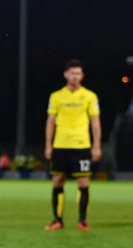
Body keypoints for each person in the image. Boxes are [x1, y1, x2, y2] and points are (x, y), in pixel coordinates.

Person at [44, 59, 101, 231]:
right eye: (72, 73)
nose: (75, 76)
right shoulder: (56, 96)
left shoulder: (90, 96)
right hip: (60, 145)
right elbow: (50, 121)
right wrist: (48, 145)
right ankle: (57, 220)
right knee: (57, 181)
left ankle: (82, 221)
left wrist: (96, 145)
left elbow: (95, 122)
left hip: (81, 145)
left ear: (82, 76)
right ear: (65, 75)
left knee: (83, 182)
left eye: (78, 73)